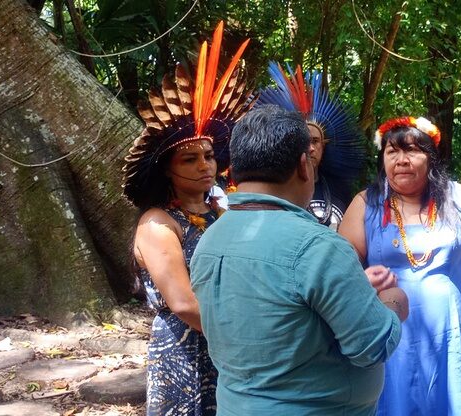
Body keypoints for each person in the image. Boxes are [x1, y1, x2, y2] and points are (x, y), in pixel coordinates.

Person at [190, 104, 408, 415]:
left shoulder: (210, 239)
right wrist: (393, 302)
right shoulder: (318, 247)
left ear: (234, 170)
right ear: (304, 166)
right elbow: (372, 346)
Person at [121, 21, 254, 415]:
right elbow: (182, 303)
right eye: (189, 158)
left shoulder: (222, 209)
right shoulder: (158, 224)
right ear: (167, 168)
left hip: (229, 346)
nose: (203, 166)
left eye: (209, 156)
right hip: (187, 348)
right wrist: (250, 334)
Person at [339, 116, 461, 415]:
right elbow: (341, 271)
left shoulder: (458, 198)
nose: (401, 160)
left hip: (452, 335)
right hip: (391, 335)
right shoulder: (366, 204)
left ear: (431, 157)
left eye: (411, 150)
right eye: (392, 152)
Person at [256, 62, 365, 229]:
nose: (310, 148)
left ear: (324, 145)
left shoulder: (340, 188)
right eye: (303, 141)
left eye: (315, 141)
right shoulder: (276, 188)